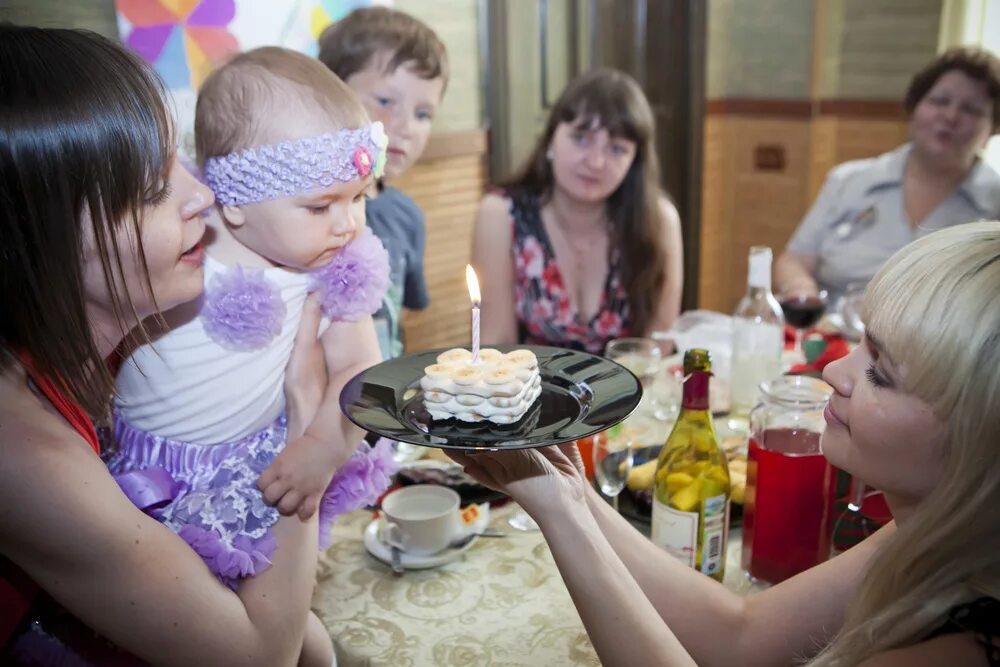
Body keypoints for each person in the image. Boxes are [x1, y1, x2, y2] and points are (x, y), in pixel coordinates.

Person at [450, 220, 1000, 666]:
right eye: (859, 345)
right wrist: (573, 494)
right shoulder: (933, 534)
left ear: (977, 440)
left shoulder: (958, 645)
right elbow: (742, 637)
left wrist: (563, 516)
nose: (833, 370)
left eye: (880, 373)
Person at [0, 25, 332, 666]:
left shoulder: (101, 350)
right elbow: (258, 657)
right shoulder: (23, 455)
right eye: (153, 188)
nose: (202, 195)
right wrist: (304, 425)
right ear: (43, 240)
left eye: (180, 160)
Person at [108, 47, 400, 664]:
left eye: (359, 197)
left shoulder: (333, 266)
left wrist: (321, 447)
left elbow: (361, 370)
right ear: (234, 203)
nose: (348, 223)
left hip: (253, 476)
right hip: (141, 481)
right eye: (321, 206)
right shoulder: (180, 249)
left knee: (305, 644)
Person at [471, 67, 683, 356]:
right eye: (581, 137)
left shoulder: (660, 221)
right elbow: (496, 343)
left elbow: (657, 345)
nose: (596, 161)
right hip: (532, 393)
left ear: (634, 163)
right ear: (550, 140)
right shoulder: (500, 215)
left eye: (617, 149)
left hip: (630, 395)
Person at [775, 47, 1000, 304]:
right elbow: (794, 260)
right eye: (939, 101)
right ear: (914, 109)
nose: (950, 116)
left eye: (971, 110)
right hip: (834, 335)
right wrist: (801, 289)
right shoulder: (848, 180)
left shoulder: (994, 204)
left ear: (992, 128)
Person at [318, 6, 448, 360]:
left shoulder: (407, 216)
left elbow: (396, 322)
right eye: (386, 101)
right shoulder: (305, 212)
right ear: (331, 92)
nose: (406, 126)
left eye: (423, 114)